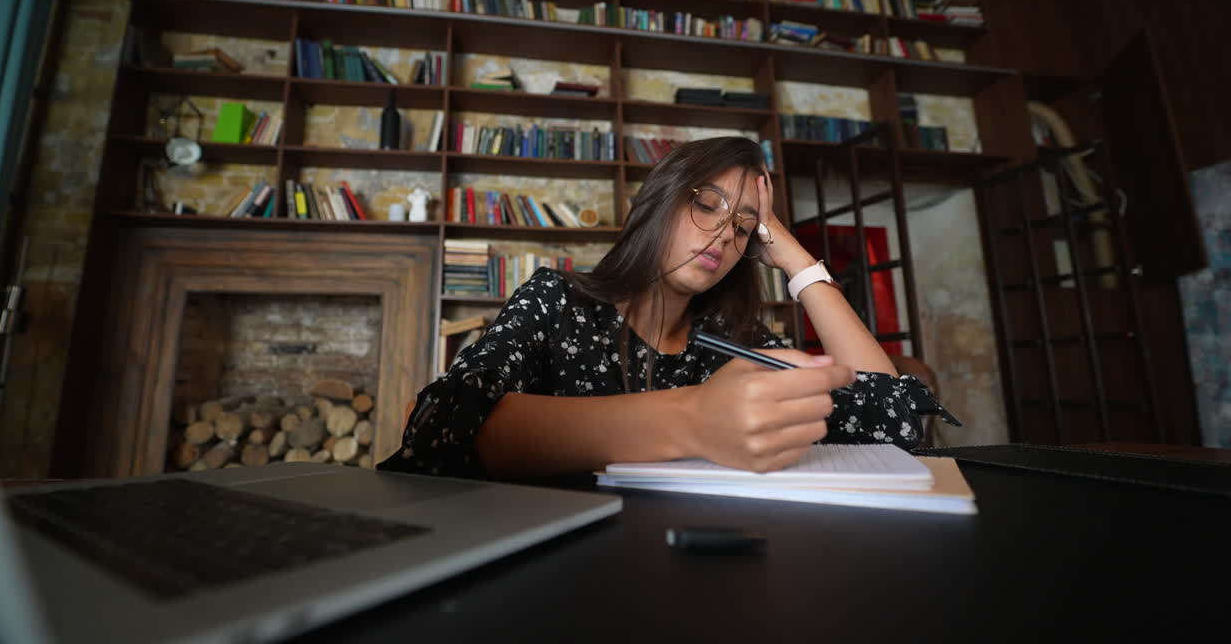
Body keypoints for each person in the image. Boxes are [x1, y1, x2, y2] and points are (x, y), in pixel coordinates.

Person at [378, 137, 953, 479]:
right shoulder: (557, 301)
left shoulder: (733, 343)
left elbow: (892, 415)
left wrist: (795, 257)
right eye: (708, 204)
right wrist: (694, 420)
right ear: (659, 200)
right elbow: (438, 427)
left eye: (745, 227)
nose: (725, 236)